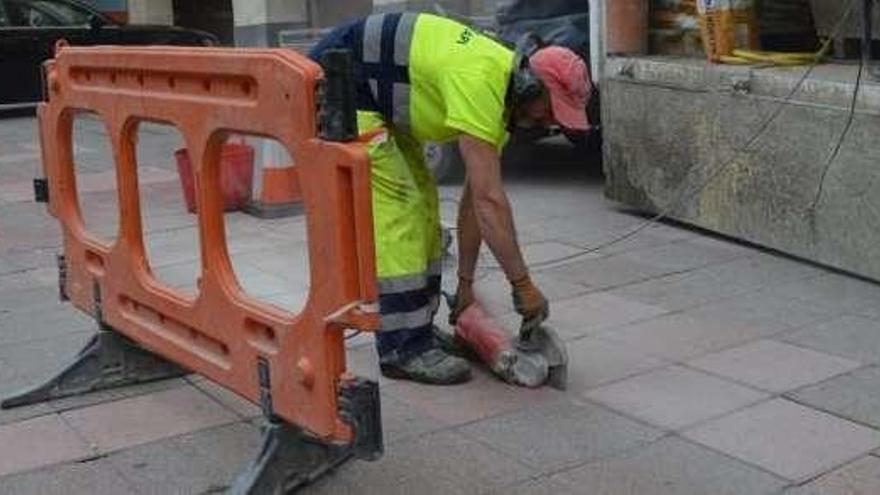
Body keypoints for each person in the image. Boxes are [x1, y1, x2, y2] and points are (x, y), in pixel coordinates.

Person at [309, 12, 592, 385]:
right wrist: (522, 285)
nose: (549, 122)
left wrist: (465, 284)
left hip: (375, 96)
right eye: (551, 109)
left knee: (426, 204)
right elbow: (491, 203)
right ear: (529, 85)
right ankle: (402, 348)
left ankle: (419, 330)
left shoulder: (502, 94)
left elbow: (475, 202)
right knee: (403, 206)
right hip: (340, 82)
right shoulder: (481, 80)